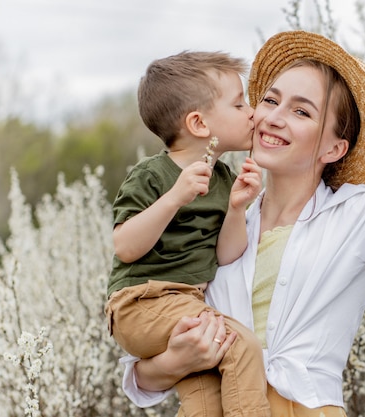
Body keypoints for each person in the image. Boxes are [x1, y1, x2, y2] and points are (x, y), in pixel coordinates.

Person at [118, 31, 365, 416]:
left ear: (334, 148)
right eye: (269, 100)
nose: (274, 118)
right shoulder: (223, 223)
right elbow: (143, 372)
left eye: (302, 111)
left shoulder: (357, 217)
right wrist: (173, 363)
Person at [105, 50, 270, 417]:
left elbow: (226, 255)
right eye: (239, 104)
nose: (253, 113)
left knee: (206, 392)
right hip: (142, 302)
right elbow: (125, 246)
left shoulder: (224, 179)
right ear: (198, 124)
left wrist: (237, 208)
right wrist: (174, 198)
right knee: (240, 345)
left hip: (185, 304)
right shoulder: (152, 175)